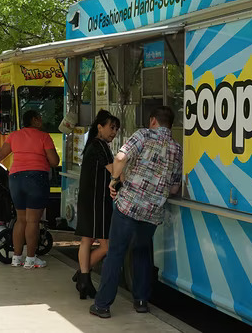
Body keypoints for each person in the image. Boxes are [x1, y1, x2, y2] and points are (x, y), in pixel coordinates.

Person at [90, 106, 182, 319]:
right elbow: (175, 188)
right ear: (170, 124)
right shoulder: (176, 149)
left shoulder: (143, 134)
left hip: (128, 207)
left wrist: (114, 180)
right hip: (152, 213)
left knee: (116, 253)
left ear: (152, 121)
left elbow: (121, 158)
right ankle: (141, 301)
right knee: (142, 253)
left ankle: (103, 305)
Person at [0, 110, 59, 269]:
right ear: (34, 120)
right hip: (36, 179)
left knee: (21, 219)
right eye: (39, 118)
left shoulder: (14, 136)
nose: (41, 120)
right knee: (33, 221)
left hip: (15, 179)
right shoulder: (44, 137)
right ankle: (31, 259)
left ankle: (16, 257)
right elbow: (54, 161)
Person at [73, 110, 120, 299]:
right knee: (105, 245)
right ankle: (83, 276)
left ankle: (83, 276)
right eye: (111, 127)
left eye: (116, 129)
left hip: (91, 199)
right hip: (96, 201)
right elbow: (113, 170)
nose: (114, 132)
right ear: (99, 127)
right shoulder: (99, 145)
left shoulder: (96, 144)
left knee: (87, 240)